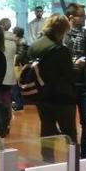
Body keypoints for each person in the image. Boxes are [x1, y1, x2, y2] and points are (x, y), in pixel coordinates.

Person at [29, 14, 77, 144]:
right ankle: (73, 162)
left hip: (43, 96)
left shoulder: (35, 46)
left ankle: (46, 160)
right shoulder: (61, 50)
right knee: (70, 133)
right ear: (63, 30)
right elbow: (68, 75)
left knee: (47, 131)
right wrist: (77, 67)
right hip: (63, 98)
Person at [63, 3, 86, 158]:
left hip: (85, 84)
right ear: (72, 17)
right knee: (68, 126)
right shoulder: (62, 36)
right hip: (67, 86)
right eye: (82, 15)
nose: (85, 18)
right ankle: (72, 158)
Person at [0, 18, 19, 134]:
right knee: (7, 99)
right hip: (10, 74)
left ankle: (1, 125)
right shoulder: (13, 41)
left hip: (0, 74)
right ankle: (7, 124)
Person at [11, 26, 29, 111]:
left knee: (15, 85)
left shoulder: (21, 43)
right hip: (19, 66)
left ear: (16, 33)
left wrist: (13, 58)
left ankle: (19, 104)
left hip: (19, 66)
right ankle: (19, 103)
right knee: (16, 86)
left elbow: (20, 56)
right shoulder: (21, 42)